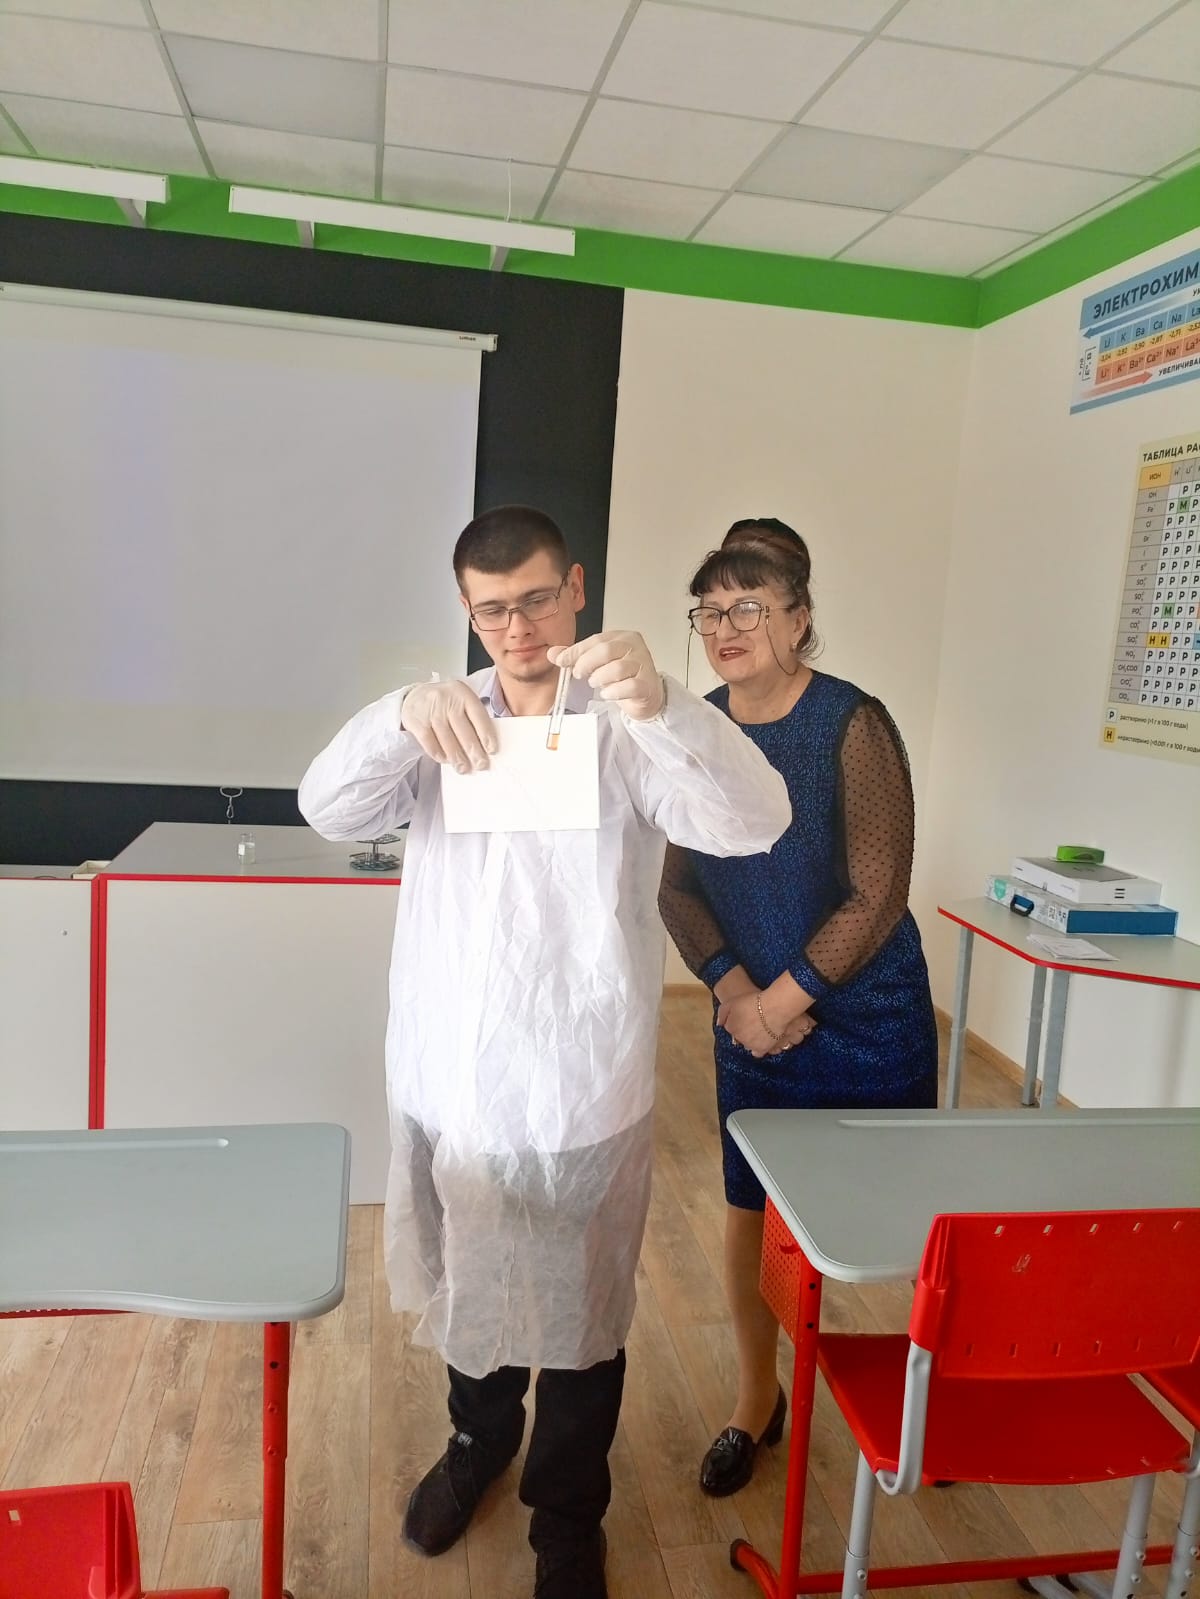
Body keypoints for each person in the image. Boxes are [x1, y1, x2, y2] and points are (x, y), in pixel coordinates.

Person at [298, 505, 790, 1598]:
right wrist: (396, 715)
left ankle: (568, 1511)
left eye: (534, 601)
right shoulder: (440, 723)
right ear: (465, 611)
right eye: (491, 612)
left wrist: (667, 705)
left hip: (575, 1082)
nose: (516, 629)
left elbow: (754, 821)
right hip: (450, 1075)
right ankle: (478, 1442)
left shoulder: (625, 724)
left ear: (575, 588)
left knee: (582, 1316)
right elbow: (326, 807)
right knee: (468, 1281)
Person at [657, 517, 938, 1499]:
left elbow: (880, 889)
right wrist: (738, 993)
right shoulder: (693, 730)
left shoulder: (853, 723)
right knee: (749, 1210)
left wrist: (787, 998)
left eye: (748, 606)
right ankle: (755, 1400)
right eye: (709, 611)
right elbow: (677, 889)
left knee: (900, 1223)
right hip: (750, 1020)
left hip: (869, 1016)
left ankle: (926, 1404)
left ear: (798, 615)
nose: (725, 628)